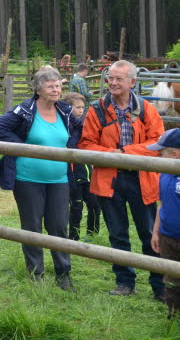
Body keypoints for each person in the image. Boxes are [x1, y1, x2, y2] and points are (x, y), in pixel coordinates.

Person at [79, 60, 166, 301]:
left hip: (142, 178)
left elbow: (158, 143)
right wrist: (112, 155)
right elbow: (85, 144)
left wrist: (126, 153)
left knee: (149, 234)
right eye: (110, 78)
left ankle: (159, 285)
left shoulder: (147, 109)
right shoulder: (96, 109)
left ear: (132, 82)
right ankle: (124, 282)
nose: (113, 83)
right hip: (110, 179)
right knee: (117, 233)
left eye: (119, 79)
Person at [0, 66, 81, 292]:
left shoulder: (66, 111)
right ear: (38, 89)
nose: (56, 89)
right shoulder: (26, 110)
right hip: (28, 178)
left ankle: (64, 273)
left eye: (58, 85)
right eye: (50, 86)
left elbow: (81, 130)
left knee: (59, 226)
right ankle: (36, 273)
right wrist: (22, 147)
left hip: (59, 179)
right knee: (31, 227)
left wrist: (70, 147)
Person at [61, 92, 100, 241]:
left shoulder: (86, 125)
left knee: (95, 205)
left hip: (88, 173)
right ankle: (73, 237)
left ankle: (93, 234)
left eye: (83, 107)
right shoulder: (65, 127)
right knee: (76, 207)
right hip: (73, 173)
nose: (81, 110)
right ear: (68, 108)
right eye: (77, 107)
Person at [150, 128, 180, 316]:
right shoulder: (165, 174)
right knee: (171, 279)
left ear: (175, 154)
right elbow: (162, 204)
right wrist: (156, 231)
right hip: (167, 236)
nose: (158, 157)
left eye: (161, 154)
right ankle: (173, 315)